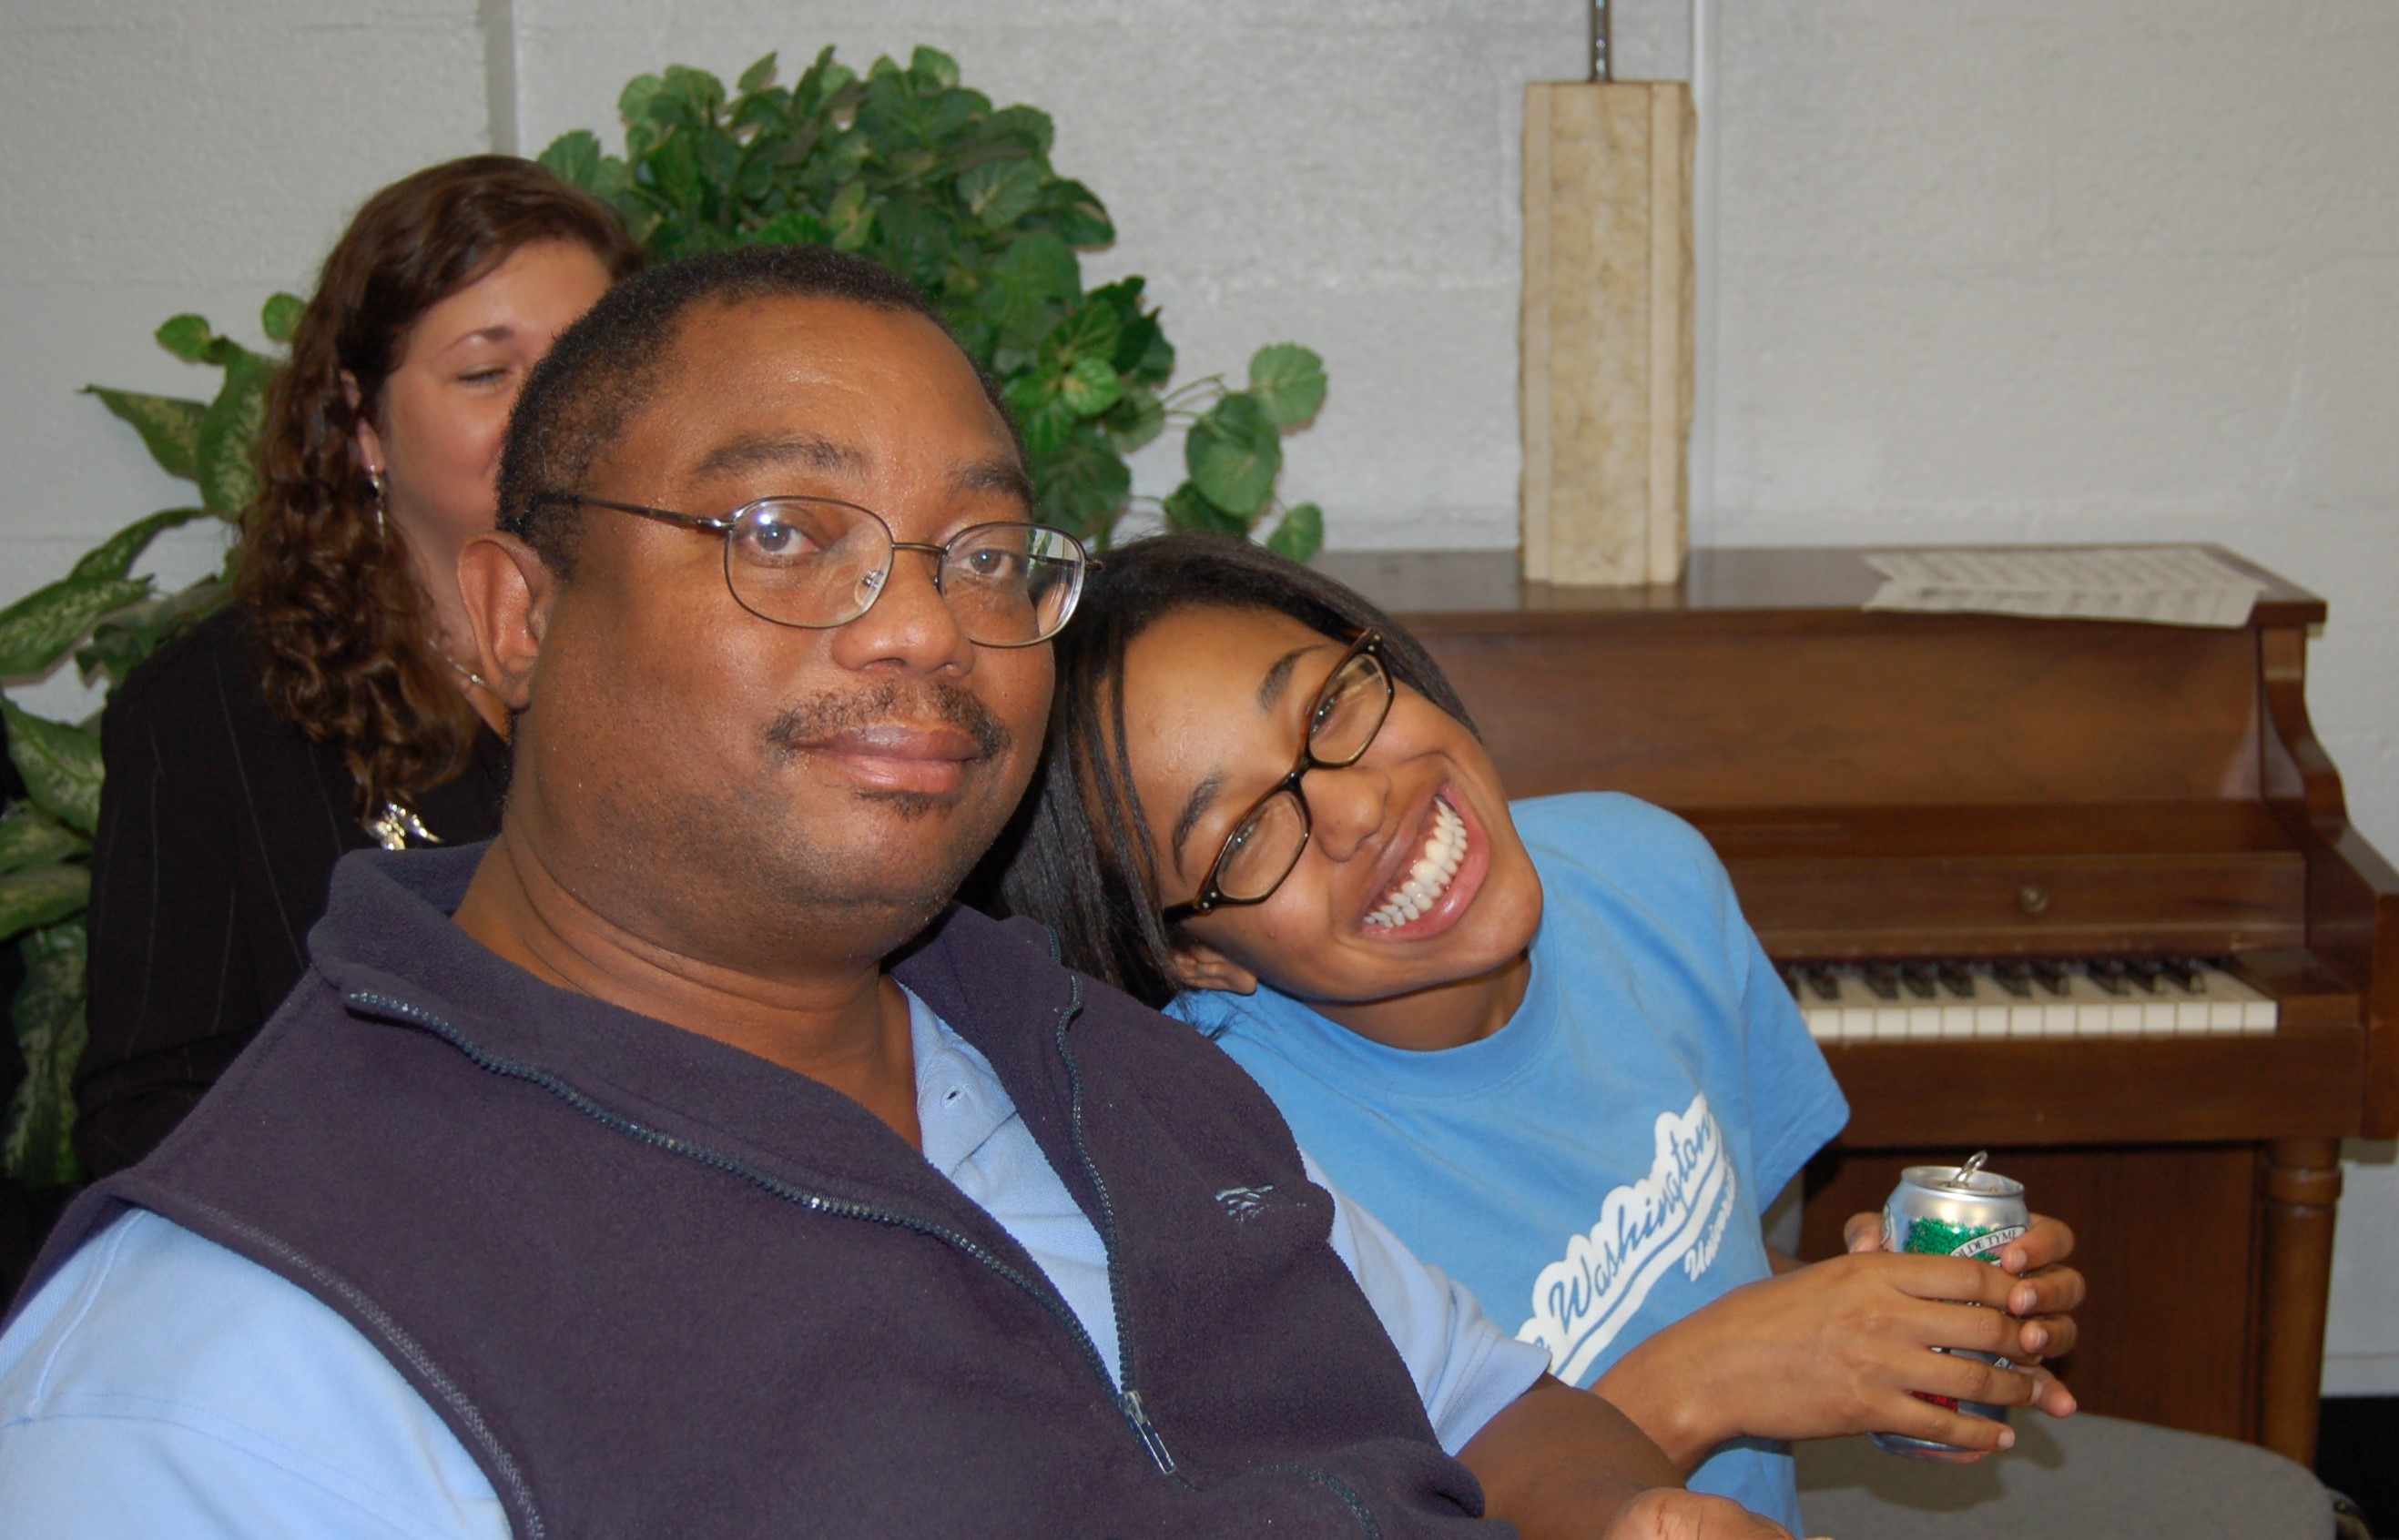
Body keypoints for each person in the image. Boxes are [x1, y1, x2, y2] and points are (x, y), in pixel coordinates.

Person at [0, 246, 1793, 1539]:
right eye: (783, 531)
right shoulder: (234, 1366)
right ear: (518, 622)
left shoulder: (1109, 1061)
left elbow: (1490, 1404)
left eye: (988, 554)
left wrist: (1626, 1512)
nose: (932, 622)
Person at [994, 532, 2089, 1534]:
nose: (1355, 808)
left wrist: (1885, 1322)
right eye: (1241, 834)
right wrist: (1711, 1378)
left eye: (1328, 708)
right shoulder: (1222, 1171)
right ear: (1201, 957)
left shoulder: (1644, 872)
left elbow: (1705, 1260)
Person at [75, 155, 641, 1178]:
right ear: (363, 422)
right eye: (486, 372)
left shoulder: (700, 664)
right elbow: (146, 1113)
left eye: (585, 365)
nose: (555, 413)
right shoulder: (210, 712)